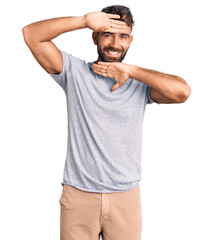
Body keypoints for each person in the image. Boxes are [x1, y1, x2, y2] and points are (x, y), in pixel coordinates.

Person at [22, 5, 191, 240]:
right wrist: (82, 20)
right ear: (95, 36)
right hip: (79, 196)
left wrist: (131, 71)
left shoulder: (139, 84)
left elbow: (182, 92)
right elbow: (31, 34)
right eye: (107, 34)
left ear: (130, 41)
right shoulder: (74, 72)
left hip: (125, 198)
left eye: (122, 36)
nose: (115, 43)